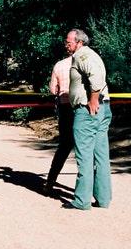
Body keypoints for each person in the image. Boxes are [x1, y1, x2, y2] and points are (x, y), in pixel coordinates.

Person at [62, 28, 112, 210]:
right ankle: (103, 198)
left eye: (69, 42)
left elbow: (96, 78)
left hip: (87, 111)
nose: (66, 44)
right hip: (102, 109)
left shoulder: (81, 56)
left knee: (84, 156)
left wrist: (92, 100)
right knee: (101, 156)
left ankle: (81, 200)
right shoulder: (92, 55)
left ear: (79, 42)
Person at [43, 51, 74, 195]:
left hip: (66, 108)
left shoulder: (60, 65)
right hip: (83, 109)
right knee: (85, 149)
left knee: (64, 147)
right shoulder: (87, 63)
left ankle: (50, 181)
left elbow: (52, 89)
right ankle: (88, 188)